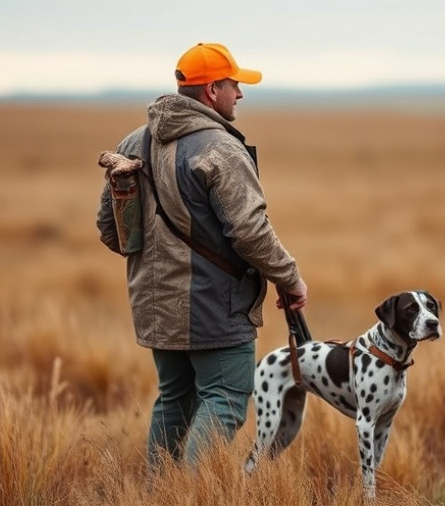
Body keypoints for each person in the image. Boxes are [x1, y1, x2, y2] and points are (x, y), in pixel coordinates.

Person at [95, 42, 308, 469]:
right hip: (213, 306)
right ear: (212, 90)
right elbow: (251, 231)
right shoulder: (220, 148)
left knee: (174, 398)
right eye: (233, 85)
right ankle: (191, 494)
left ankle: (160, 494)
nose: (240, 93)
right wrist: (290, 277)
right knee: (226, 397)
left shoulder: (134, 141)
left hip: (155, 305)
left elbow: (110, 230)